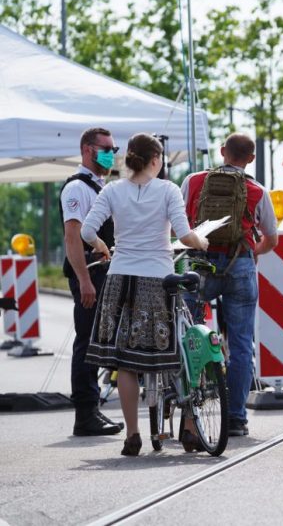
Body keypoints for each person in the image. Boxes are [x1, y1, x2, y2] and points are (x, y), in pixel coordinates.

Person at [81, 134, 209, 456]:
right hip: (157, 279)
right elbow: (184, 234)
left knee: (125, 362)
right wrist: (202, 242)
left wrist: (100, 246)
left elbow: (86, 231)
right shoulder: (167, 190)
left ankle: (132, 436)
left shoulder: (111, 190)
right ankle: (189, 424)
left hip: (119, 279)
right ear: (157, 160)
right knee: (173, 351)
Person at [181, 133, 278, 438]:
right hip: (240, 267)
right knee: (240, 345)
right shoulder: (257, 190)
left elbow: (178, 225)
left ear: (222, 152)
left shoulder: (194, 181)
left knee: (189, 337)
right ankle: (236, 418)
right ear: (251, 159)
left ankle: (191, 412)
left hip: (200, 266)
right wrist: (251, 254)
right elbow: (271, 238)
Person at [60, 127, 122, 437]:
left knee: (96, 345)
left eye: (114, 147)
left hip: (101, 274)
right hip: (90, 274)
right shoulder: (77, 188)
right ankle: (85, 414)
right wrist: (84, 280)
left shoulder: (99, 186)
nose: (112, 153)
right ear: (88, 150)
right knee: (87, 345)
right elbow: (73, 238)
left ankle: (92, 411)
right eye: (106, 148)